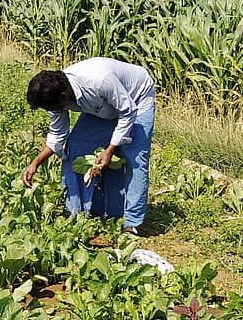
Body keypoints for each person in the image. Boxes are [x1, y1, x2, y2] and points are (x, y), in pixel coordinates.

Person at [22, 57, 155, 235]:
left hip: (136, 99)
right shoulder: (55, 95)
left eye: (54, 108)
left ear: (64, 97)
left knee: (135, 158)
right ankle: (78, 213)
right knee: (76, 145)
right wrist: (35, 163)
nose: (54, 111)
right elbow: (58, 134)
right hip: (103, 105)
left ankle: (131, 222)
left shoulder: (99, 81)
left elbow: (127, 111)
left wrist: (110, 149)